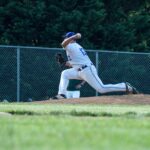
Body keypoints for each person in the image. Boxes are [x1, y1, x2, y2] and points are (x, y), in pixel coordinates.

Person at [51, 32, 138, 99]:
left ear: (71, 38)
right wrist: (65, 63)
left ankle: (125, 86)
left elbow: (63, 44)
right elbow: (75, 63)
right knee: (65, 74)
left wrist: (73, 37)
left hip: (87, 70)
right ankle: (62, 94)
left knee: (101, 89)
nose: (65, 38)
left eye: (66, 37)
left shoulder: (71, 45)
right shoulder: (73, 47)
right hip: (79, 70)